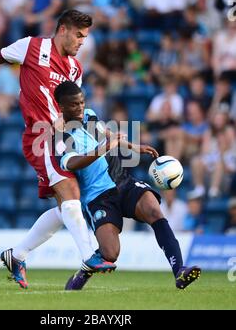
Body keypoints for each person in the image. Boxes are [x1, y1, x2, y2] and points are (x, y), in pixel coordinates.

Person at [0, 9, 116, 289]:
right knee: (70, 193)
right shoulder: (31, 46)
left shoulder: (75, 68)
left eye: (85, 37)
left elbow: (74, 109)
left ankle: (17, 255)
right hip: (41, 138)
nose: (82, 42)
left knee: (65, 206)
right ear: (62, 29)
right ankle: (90, 255)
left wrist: (96, 131)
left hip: (64, 138)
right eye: (78, 35)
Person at [53, 81, 201, 291]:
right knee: (110, 253)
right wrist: (104, 148)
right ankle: (86, 269)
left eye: (82, 102)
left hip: (122, 182)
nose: (80, 108)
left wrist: (133, 146)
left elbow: (108, 136)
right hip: (98, 197)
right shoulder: (60, 137)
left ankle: (179, 271)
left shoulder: (90, 115)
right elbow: (72, 162)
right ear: (61, 107)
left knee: (153, 209)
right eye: (74, 104)